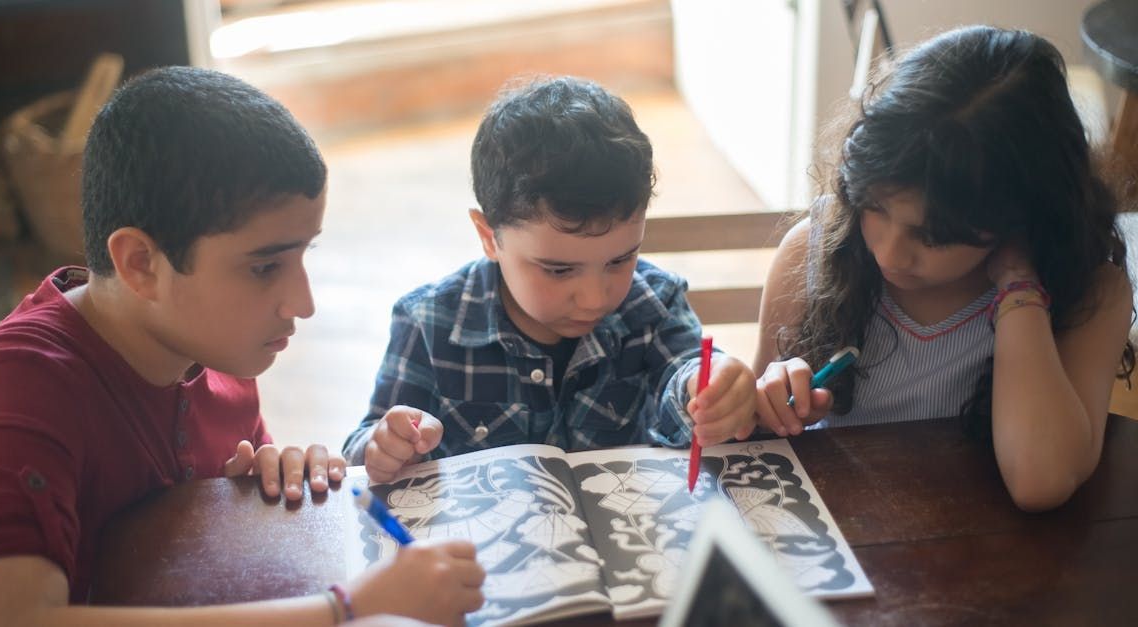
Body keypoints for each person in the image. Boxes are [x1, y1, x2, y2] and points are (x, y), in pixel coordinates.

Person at [0, 66, 483, 627]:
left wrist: (253, 495)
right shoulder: (21, 389)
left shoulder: (216, 363)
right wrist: (345, 609)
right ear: (141, 264)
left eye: (304, 256)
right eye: (265, 265)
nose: (303, 302)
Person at [752, 26, 1135, 512]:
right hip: (837, 547)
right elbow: (756, 438)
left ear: (1018, 216)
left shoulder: (1089, 293)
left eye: (931, 236)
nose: (890, 254)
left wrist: (1018, 283)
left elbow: (1041, 480)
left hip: (983, 561)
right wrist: (769, 400)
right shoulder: (812, 252)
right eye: (874, 206)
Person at [342, 76, 757, 483]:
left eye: (621, 259)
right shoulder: (429, 323)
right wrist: (384, 446)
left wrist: (709, 389)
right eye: (559, 270)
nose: (595, 298)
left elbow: (682, 376)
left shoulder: (656, 303)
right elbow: (366, 451)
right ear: (490, 237)